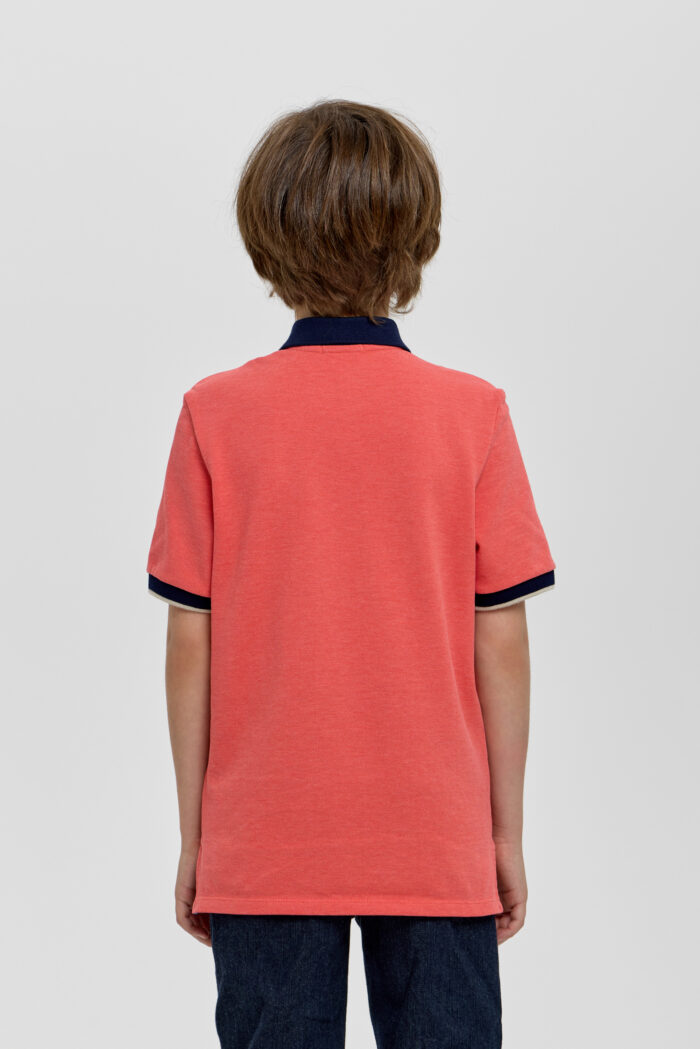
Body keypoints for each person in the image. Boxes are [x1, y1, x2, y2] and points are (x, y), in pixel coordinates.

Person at [146, 99, 556, 1049]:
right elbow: (500, 635)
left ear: (266, 236)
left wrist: (198, 833)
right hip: (436, 833)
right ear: (417, 237)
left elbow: (191, 638)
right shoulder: (473, 413)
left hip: (266, 838)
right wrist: (503, 832)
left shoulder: (215, 413)